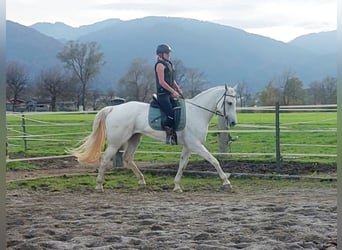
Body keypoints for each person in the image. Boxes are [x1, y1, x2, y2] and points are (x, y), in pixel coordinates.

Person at [155, 44, 182, 145]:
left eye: (169, 53)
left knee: (178, 110)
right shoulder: (160, 65)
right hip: (163, 94)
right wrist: (173, 91)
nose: (169, 55)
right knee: (170, 114)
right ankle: (168, 135)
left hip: (169, 93)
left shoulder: (168, 64)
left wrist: (177, 88)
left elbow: (171, 79)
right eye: (167, 53)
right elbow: (162, 82)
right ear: (161, 54)